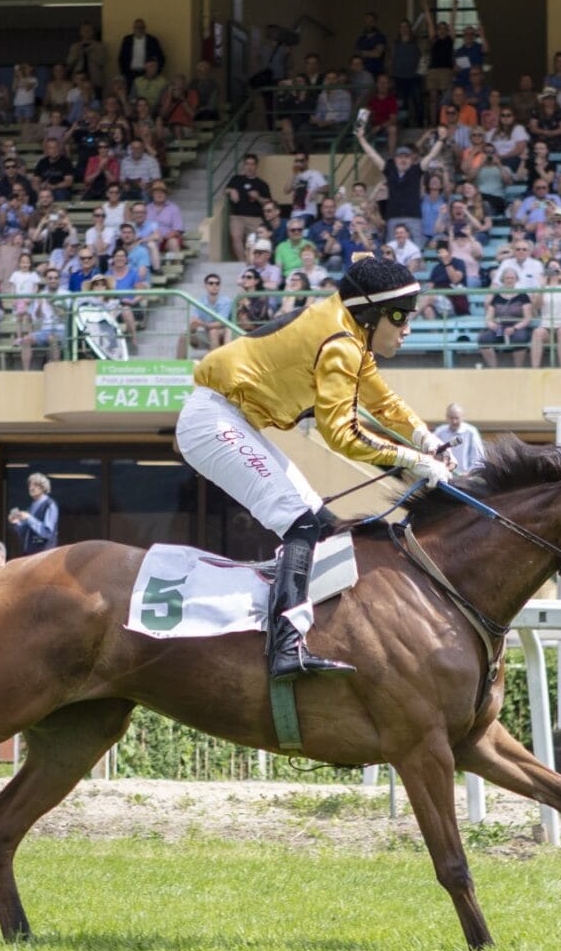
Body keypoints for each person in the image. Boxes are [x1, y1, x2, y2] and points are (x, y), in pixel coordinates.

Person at [181, 256, 448, 679]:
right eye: (399, 318)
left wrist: (427, 439)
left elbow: (382, 401)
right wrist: (413, 460)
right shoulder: (341, 342)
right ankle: (284, 648)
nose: (407, 329)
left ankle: (313, 633)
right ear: (372, 313)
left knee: (324, 527)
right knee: (301, 525)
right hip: (212, 422)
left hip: (231, 419)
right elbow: (343, 436)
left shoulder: (349, 332)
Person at [8, 471, 58, 554]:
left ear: (43, 487)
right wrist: (16, 523)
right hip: (30, 553)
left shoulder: (50, 505)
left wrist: (28, 518)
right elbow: (24, 532)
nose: (31, 488)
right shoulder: (31, 507)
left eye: (35, 485)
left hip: (45, 553)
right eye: (30, 485)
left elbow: (47, 533)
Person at [432, 403, 485, 472]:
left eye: (457, 418)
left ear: (463, 417)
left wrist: (469, 474)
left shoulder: (471, 432)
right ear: (447, 417)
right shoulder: (439, 432)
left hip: (465, 478)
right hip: (443, 476)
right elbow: (431, 453)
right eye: (451, 418)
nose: (454, 421)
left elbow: (478, 458)